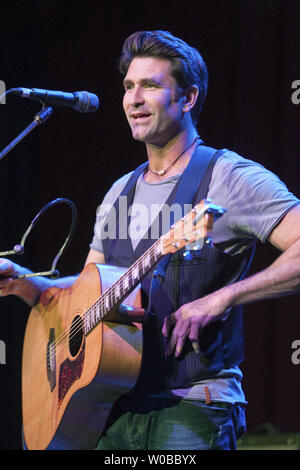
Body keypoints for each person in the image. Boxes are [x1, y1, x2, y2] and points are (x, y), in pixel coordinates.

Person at [1, 30, 300, 451]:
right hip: (112, 408)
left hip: (192, 409)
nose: (133, 99)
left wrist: (222, 298)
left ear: (189, 98)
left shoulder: (229, 178)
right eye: (128, 86)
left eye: (151, 85)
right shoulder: (118, 191)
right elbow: (86, 294)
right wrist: (28, 284)